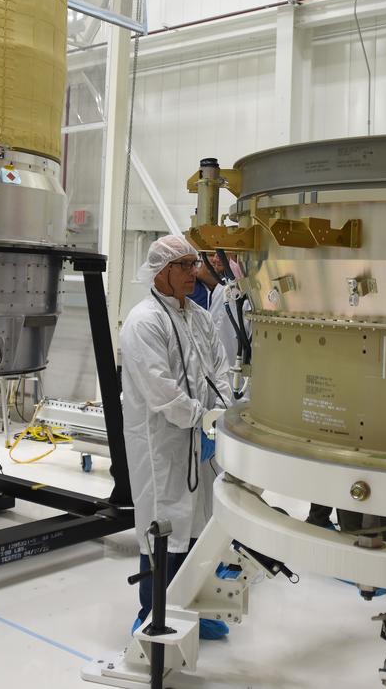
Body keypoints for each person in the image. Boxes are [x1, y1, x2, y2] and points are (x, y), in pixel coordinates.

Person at [120, 234, 233, 639]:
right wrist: (200, 417)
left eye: (193, 264)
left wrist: (219, 414)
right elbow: (160, 390)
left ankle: (192, 608)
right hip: (162, 442)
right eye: (184, 265)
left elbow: (220, 367)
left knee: (200, 522)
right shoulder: (144, 321)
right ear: (161, 271)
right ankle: (152, 613)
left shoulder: (198, 316)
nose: (193, 272)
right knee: (163, 522)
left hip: (201, 438)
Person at [195, 252, 252, 397]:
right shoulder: (221, 290)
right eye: (210, 254)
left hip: (241, 383)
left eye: (222, 253)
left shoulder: (246, 291)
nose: (215, 259)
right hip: (219, 380)